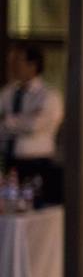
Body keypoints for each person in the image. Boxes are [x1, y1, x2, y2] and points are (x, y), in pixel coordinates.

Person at [0, 44, 64, 203]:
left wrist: (7, 121)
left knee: (33, 208)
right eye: (12, 60)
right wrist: (22, 120)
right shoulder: (7, 93)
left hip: (36, 163)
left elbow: (35, 126)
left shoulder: (49, 96)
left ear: (33, 65)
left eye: (18, 60)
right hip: (8, 162)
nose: (13, 65)